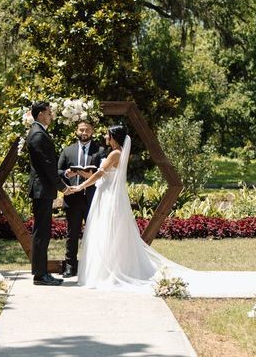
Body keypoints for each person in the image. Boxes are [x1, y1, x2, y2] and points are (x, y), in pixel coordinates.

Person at [65, 124, 191, 291]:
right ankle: (112, 268)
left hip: (108, 195)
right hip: (108, 192)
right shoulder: (120, 152)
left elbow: (100, 174)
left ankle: (107, 271)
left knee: (105, 232)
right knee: (112, 232)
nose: (105, 138)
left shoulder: (115, 153)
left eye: (107, 135)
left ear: (114, 138)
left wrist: (81, 187)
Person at [25, 100, 68, 286]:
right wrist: (62, 186)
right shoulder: (37, 135)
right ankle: (40, 275)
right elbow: (47, 166)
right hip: (42, 190)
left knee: (42, 232)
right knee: (42, 233)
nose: (51, 116)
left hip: (43, 189)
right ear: (41, 113)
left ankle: (40, 272)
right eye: (49, 112)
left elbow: (47, 166)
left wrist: (63, 174)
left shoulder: (39, 132)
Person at [58, 120, 105, 278]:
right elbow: (57, 171)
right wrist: (66, 174)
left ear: (92, 132)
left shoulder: (100, 151)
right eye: (81, 130)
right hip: (73, 198)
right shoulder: (67, 150)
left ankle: (94, 267)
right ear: (76, 131)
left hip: (93, 198)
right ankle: (70, 267)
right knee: (72, 234)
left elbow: (104, 174)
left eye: (87, 130)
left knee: (95, 233)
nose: (84, 133)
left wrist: (87, 174)